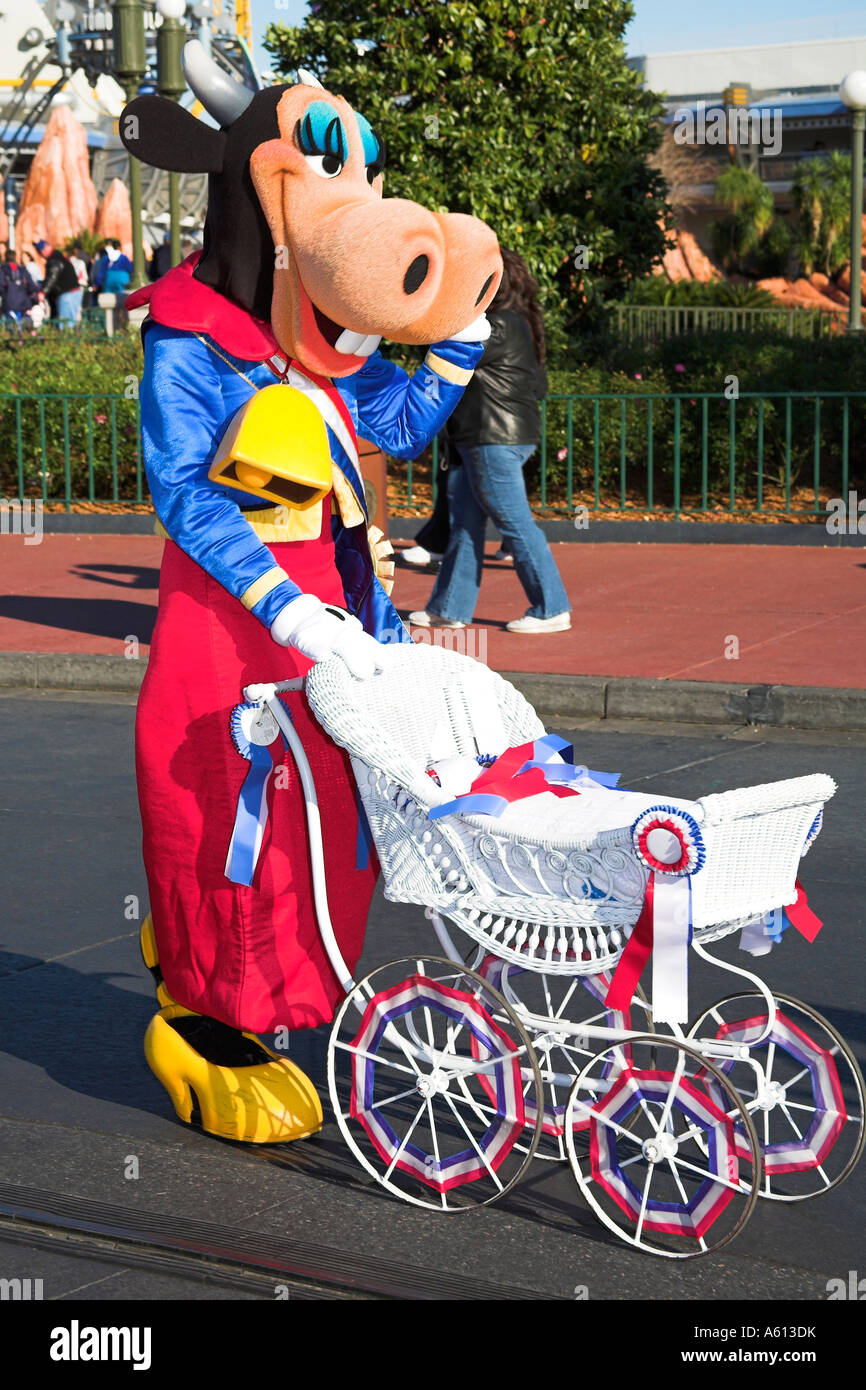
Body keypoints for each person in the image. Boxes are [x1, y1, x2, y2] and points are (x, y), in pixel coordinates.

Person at [119, 47, 499, 1145]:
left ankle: (279, 1000)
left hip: (337, 629)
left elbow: (386, 425)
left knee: (325, 824)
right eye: (327, 174)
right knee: (229, 815)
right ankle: (200, 1021)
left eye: (364, 176)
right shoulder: (191, 334)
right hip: (232, 635)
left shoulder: (311, 345)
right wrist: (278, 603)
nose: (357, 202)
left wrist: (458, 339)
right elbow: (182, 486)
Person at [410, 248, 571, 634]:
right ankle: (449, 608)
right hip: (487, 439)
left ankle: (551, 607)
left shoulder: (496, 326)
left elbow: (441, 350)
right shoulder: (515, 324)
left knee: (515, 523)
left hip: (492, 440)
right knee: (465, 522)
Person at [34, 239, 82, 327]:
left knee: (66, 325)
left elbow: (52, 277)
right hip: (73, 292)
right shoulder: (58, 255)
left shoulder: (54, 259)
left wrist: (43, 292)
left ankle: (67, 340)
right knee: (71, 323)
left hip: (68, 294)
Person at [0, 249, 39, 332]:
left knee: (12, 333)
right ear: (15, 258)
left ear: (5, 258)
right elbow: (32, 287)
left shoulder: (2, 270)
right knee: (27, 330)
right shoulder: (23, 270)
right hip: (24, 305)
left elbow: (1, 288)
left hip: (9, 305)